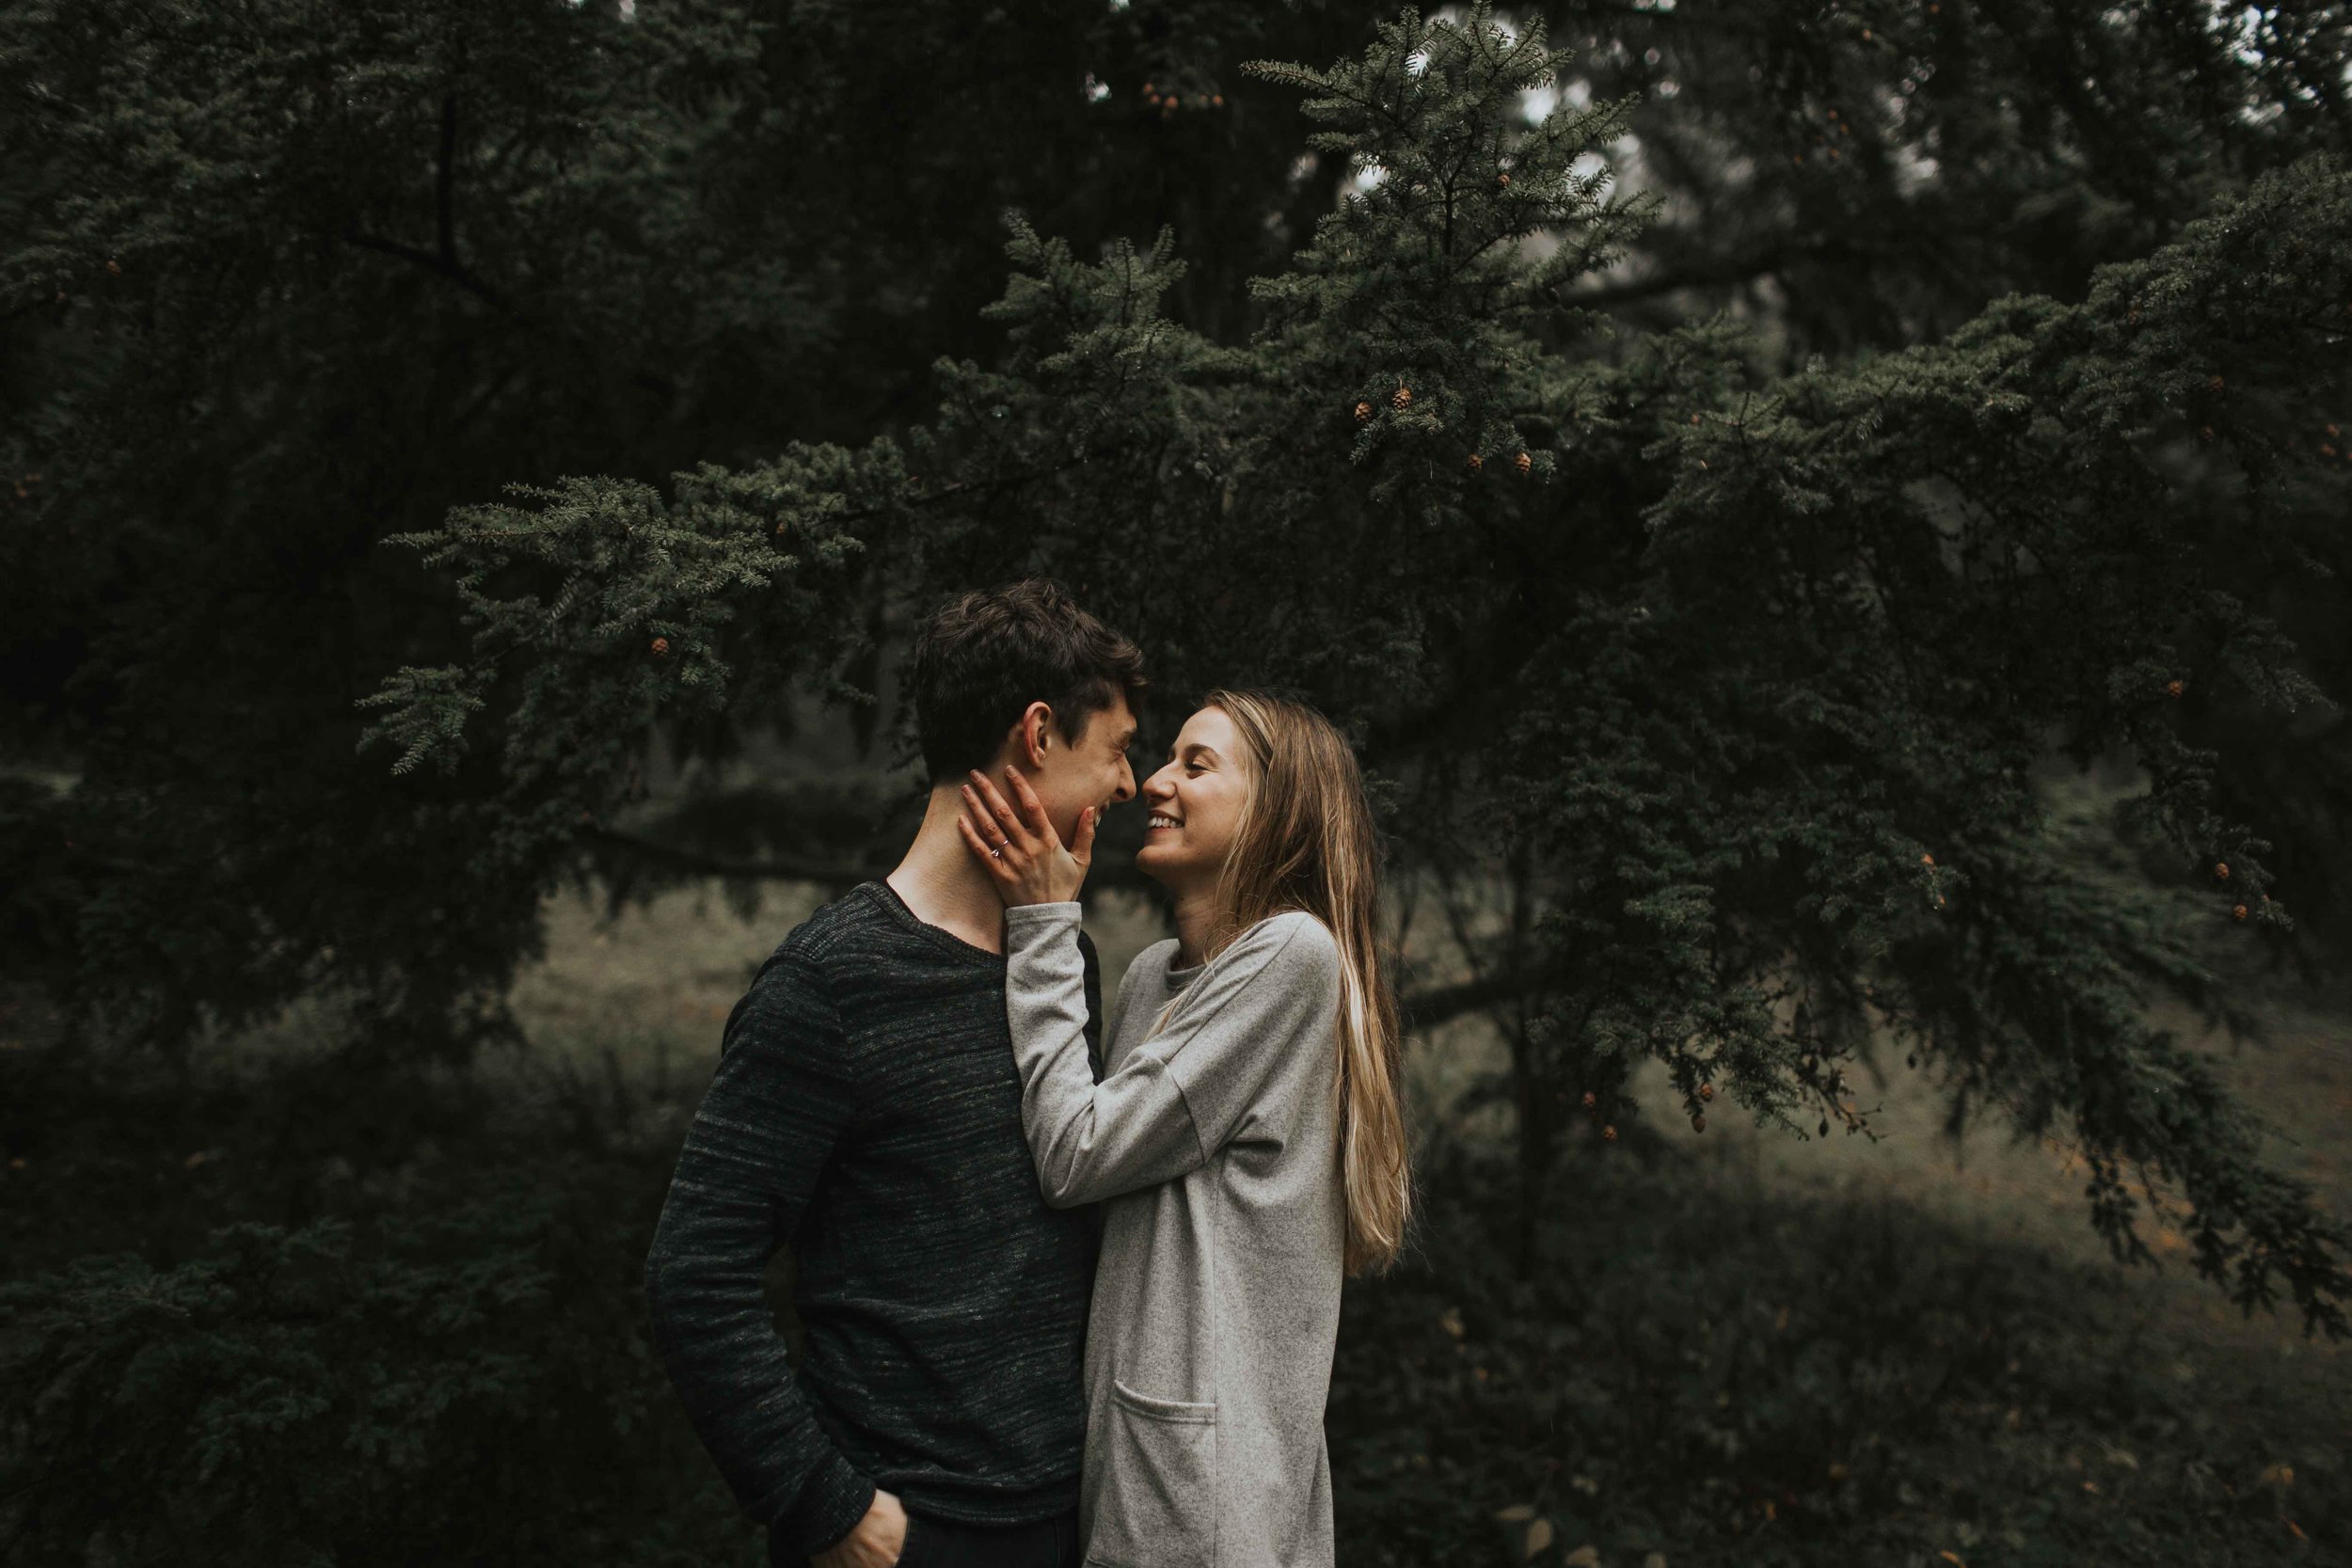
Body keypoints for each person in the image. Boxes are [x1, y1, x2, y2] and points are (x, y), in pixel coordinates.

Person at [644, 579, 1147, 1568]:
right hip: (909, 1529)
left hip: (1071, 1515)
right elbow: (694, 1274)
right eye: (1117, 749)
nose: (1130, 785)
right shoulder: (830, 984)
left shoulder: (1059, 961)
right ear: (1037, 734)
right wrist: (828, 1509)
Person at [955, 688, 1413, 1568]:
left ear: (1276, 811)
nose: (1156, 781)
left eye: (1196, 765)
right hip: (1140, 1482)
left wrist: (1045, 922)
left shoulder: (1292, 957)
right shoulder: (1155, 979)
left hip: (1203, 1509)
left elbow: (1074, 1151)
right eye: (1167, 757)